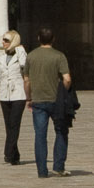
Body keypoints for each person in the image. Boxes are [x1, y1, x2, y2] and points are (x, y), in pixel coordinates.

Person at [24, 27, 73, 179]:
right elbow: (67, 79)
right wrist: (63, 93)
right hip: (56, 101)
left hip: (38, 101)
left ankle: (42, 171)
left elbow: (26, 80)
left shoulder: (31, 56)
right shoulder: (59, 56)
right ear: (53, 39)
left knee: (40, 136)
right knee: (61, 131)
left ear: (38, 39)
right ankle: (58, 167)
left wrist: (28, 98)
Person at [0, 30, 28, 165]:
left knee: (14, 124)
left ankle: (8, 151)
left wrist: (20, 50)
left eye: (6, 40)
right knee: (8, 125)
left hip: (18, 94)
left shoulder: (20, 55)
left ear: (14, 42)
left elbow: (25, 66)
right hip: (5, 95)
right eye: (3, 40)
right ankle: (15, 155)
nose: (3, 42)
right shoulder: (0, 58)